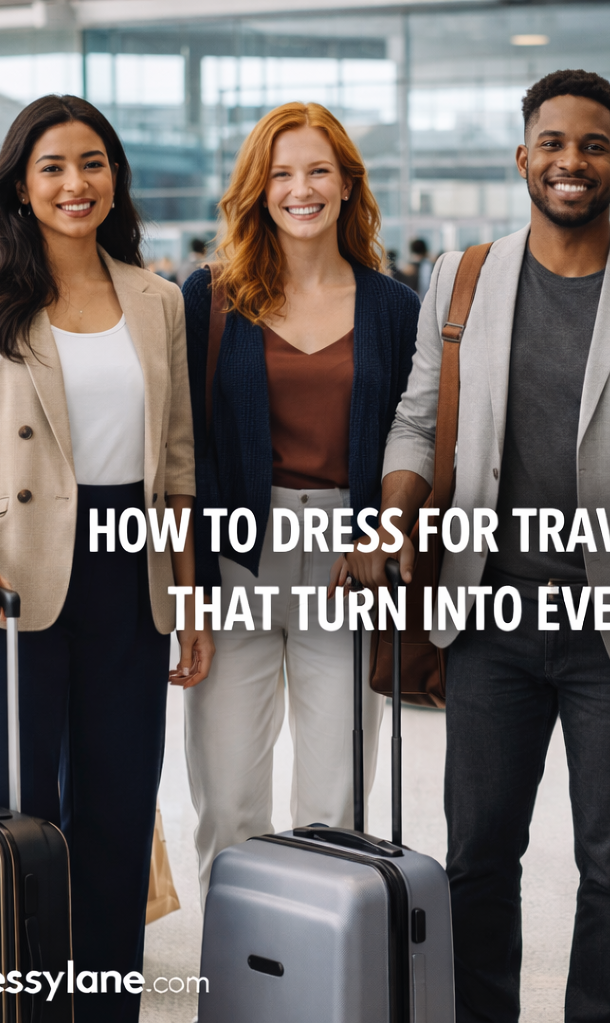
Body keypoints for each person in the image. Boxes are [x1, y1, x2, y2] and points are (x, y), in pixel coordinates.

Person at [348, 69, 610, 1023]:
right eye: (553, 144)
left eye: (593, 146)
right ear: (524, 158)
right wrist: (395, 512)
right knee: (478, 855)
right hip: (489, 621)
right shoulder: (460, 276)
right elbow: (413, 420)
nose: (572, 162)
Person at [0, 94, 212, 1023]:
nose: (74, 183)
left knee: (120, 812)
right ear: (19, 181)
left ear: (115, 177)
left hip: (131, 573)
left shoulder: (156, 297)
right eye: (51, 166)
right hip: (9, 576)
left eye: (92, 163)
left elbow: (174, 464)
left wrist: (189, 596)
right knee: (12, 815)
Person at [182, 101, 420, 905]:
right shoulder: (211, 298)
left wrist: (385, 533)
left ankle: (320, 976)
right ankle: (238, 978)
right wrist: (189, 590)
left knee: (336, 801)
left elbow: (414, 438)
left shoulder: (393, 309)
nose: (300, 189)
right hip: (235, 558)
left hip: (348, 568)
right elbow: (186, 449)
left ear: (348, 186)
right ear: (257, 189)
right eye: (281, 173)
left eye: (319, 170)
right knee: (229, 799)